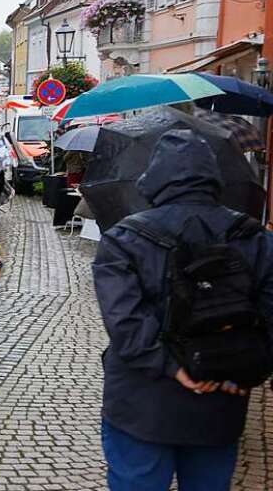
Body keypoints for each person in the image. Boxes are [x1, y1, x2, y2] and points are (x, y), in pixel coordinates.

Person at [93, 130, 273, 491]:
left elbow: (126, 324)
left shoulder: (123, 239)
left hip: (142, 403)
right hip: (222, 397)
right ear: (214, 178)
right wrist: (246, 370)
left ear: (154, 179)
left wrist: (174, 368)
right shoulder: (255, 238)